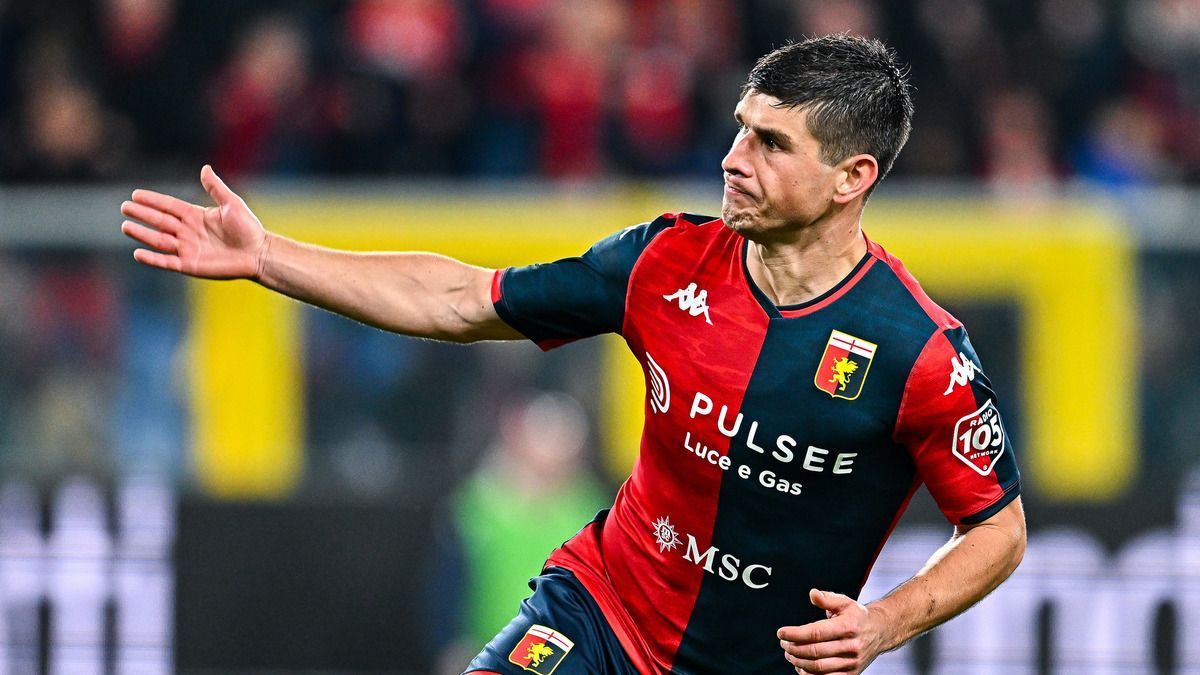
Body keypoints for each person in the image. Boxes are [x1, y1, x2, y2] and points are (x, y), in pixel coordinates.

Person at [120, 34, 1025, 675]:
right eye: (742, 127)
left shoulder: (920, 350)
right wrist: (268, 257)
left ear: (852, 178)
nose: (733, 157)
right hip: (602, 611)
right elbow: (460, 298)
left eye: (772, 143)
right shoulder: (663, 260)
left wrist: (884, 624)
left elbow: (998, 528)